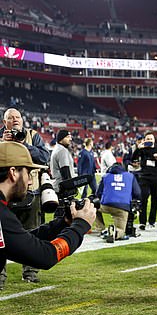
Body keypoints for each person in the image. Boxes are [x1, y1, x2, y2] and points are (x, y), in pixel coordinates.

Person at [0, 141, 96, 275]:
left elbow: (22, 241)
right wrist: (81, 225)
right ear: (13, 173)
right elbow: (45, 256)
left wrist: (63, 223)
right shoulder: (2, 215)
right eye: (28, 173)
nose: (30, 181)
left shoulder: (3, 212)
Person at [0, 108, 50, 287]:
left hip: (30, 191)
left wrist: (22, 144)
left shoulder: (32, 135)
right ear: (4, 122)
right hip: (4, 194)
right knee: (1, 236)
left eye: (18, 117)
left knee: (31, 231)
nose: (15, 120)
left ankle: (30, 272)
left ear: (22, 120)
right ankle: (0, 276)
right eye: (10, 118)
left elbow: (45, 157)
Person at [93, 163, 142, 243]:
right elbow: (137, 193)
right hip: (122, 207)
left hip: (106, 205)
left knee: (93, 207)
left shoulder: (106, 176)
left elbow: (98, 193)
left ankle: (101, 229)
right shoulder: (130, 176)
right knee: (121, 231)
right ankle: (115, 233)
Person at [131, 132, 157, 230]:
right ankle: (142, 222)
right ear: (145, 140)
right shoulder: (142, 148)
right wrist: (138, 148)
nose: (149, 141)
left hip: (156, 177)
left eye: (151, 139)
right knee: (143, 200)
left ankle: (152, 222)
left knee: (154, 200)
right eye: (147, 139)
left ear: (154, 140)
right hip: (144, 176)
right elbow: (133, 159)